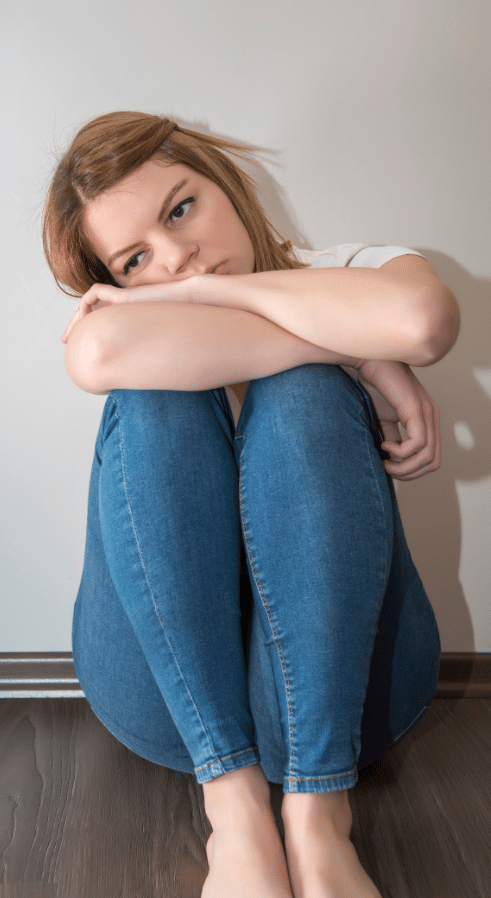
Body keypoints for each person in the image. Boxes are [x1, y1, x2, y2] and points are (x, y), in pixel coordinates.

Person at [43, 111, 460, 898]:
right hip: (167, 702)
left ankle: (317, 814)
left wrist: (214, 294)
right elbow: (96, 352)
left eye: (180, 209)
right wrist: (358, 351)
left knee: (301, 392)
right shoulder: (142, 320)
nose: (174, 257)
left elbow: (419, 320)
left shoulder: (345, 266)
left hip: (357, 691)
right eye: (135, 260)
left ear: (221, 178)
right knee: (154, 399)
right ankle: (232, 813)